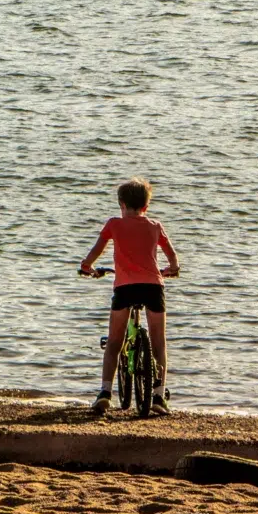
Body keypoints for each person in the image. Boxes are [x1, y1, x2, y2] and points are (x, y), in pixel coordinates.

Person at [80, 177, 180, 416]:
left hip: (125, 288)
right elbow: (172, 256)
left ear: (121, 204)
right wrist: (172, 269)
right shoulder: (155, 226)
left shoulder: (114, 224)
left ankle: (105, 392)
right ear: (146, 207)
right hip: (153, 287)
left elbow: (97, 250)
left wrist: (86, 266)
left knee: (114, 342)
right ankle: (158, 394)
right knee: (158, 343)